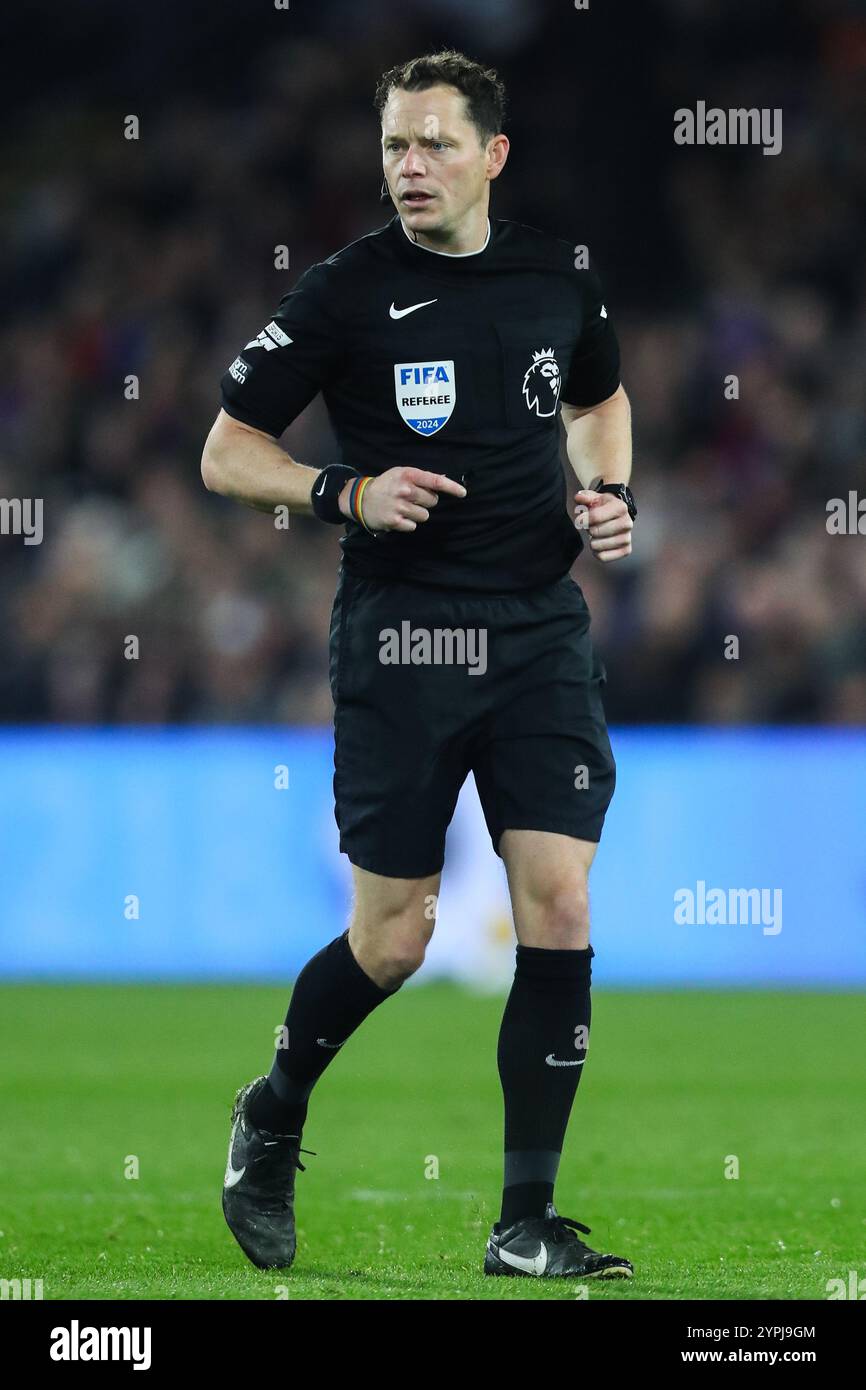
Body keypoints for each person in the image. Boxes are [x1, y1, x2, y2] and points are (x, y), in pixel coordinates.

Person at [202, 48, 636, 1281]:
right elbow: (226, 453)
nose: (409, 167)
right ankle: (274, 1106)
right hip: (400, 638)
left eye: (435, 143)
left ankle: (523, 1223)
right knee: (393, 938)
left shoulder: (559, 279)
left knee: (556, 900)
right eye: (394, 144)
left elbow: (599, 401)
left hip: (539, 628)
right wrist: (342, 488)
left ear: (491, 155)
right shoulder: (344, 294)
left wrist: (605, 493)